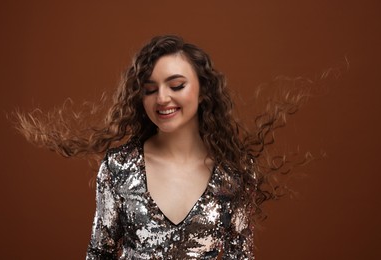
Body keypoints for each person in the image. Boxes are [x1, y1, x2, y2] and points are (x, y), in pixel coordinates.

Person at [15, 35, 310, 259]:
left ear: (204, 90)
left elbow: (241, 255)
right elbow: (99, 254)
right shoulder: (119, 167)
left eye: (176, 85)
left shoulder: (236, 172)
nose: (162, 99)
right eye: (150, 89)